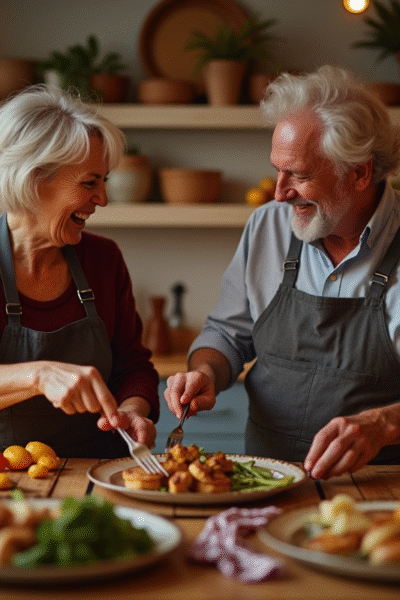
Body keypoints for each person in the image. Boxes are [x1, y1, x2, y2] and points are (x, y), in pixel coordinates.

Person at [164, 65, 400, 480]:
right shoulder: (268, 226)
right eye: (277, 169)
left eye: (300, 175)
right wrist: (205, 372)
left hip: (379, 488)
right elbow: (228, 334)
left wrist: (383, 425)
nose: (279, 192)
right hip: (265, 478)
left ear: (360, 172)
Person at [0, 84, 159, 457]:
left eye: (104, 181)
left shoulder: (104, 259)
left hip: (97, 473)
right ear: (35, 178)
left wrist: (133, 410)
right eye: (90, 182)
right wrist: (37, 375)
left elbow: (133, 365)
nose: (102, 199)